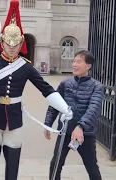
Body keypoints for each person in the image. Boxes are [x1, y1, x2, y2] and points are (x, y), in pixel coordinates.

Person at [0, 0, 73, 179]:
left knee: (12, 167)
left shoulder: (25, 66)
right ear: (2, 42)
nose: (11, 47)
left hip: (14, 119)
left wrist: (65, 108)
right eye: (8, 43)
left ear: (20, 44)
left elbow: (46, 89)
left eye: (15, 44)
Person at [44, 50, 104, 180]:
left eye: (79, 62)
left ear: (88, 66)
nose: (74, 65)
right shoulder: (65, 84)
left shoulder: (97, 87)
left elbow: (93, 109)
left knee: (91, 167)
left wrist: (81, 126)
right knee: (56, 164)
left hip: (85, 135)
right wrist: (48, 123)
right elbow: (55, 104)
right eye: (74, 61)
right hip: (65, 131)